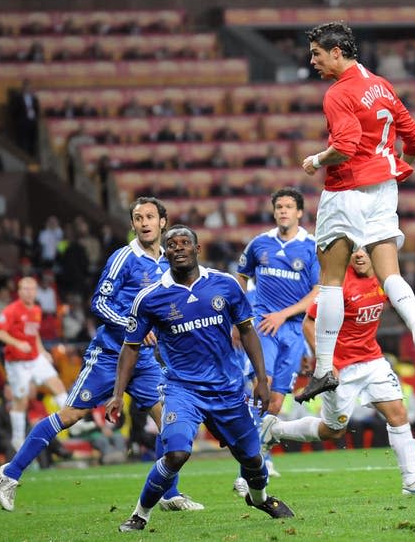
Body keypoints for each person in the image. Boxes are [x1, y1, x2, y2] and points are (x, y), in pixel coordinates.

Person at [0, 198, 203, 513]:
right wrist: (132, 326)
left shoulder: (169, 263)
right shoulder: (123, 258)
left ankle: (169, 494)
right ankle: (9, 473)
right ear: (133, 225)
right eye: (137, 217)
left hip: (144, 360)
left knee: (169, 423)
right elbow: (99, 303)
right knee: (70, 416)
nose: (143, 222)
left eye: (149, 216)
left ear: (163, 222)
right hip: (109, 354)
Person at [108, 226, 294, 532]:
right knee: (177, 452)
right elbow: (130, 349)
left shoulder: (225, 285)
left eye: (185, 243)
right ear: (165, 253)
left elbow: (247, 331)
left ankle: (259, 498)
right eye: (172, 244)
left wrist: (262, 379)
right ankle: (140, 515)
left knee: (251, 460)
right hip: (183, 390)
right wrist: (118, 394)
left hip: (228, 388)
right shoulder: (150, 297)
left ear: (197, 249)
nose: (178, 248)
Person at [297, 22, 415, 402]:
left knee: (330, 278)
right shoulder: (382, 85)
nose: (313, 61)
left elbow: (343, 146)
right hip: (384, 188)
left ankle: (324, 368)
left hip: (347, 190)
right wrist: (400, 168)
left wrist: (315, 160)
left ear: (337, 53)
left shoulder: (338, 93)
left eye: (317, 53)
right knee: (389, 272)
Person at [260, 249, 415, 495]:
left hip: (373, 360)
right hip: (341, 367)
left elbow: (410, 310)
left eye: (365, 250)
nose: (360, 255)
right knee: (333, 430)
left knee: (398, 414)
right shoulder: (338, 283)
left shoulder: (385, 280)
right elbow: (308, 322)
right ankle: (275, 430)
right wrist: (324, 360)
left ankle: (411, 482)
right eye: (354, 251)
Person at [235, 187, 320, 484]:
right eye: (279, 207)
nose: (283, 211)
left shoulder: (310, 247)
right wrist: (243, 313)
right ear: (274, 212)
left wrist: (285, 314)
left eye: (288, 207)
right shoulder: (260, 244)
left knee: (274, 403)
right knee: (263, 387)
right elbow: (241, 275)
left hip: (294, 330)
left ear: (299, 212)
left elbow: (317, 291)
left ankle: (264, 458)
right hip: (264, 326)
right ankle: (246, 470)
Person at [0, 276, 68, 452]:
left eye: (31, 289)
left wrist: (42, 351)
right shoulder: (12, 310)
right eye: (25, 289)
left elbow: (34, 334)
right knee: (21, 400)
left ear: (35, 291)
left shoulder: (36, 309)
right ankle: (18, 439)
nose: (28, 292)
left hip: (34, 358)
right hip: (17, 362)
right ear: (19, 291)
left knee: (56, 384)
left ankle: (70, 419)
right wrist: (18, 343)